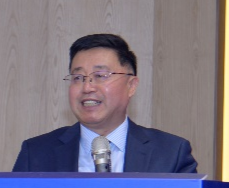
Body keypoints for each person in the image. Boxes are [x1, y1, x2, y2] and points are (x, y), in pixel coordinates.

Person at [12, 33, 197, 173]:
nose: (87, 87)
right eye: (78, 77)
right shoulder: (36, 153)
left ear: (131, 85)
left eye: (100, 76)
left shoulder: (171, 153)